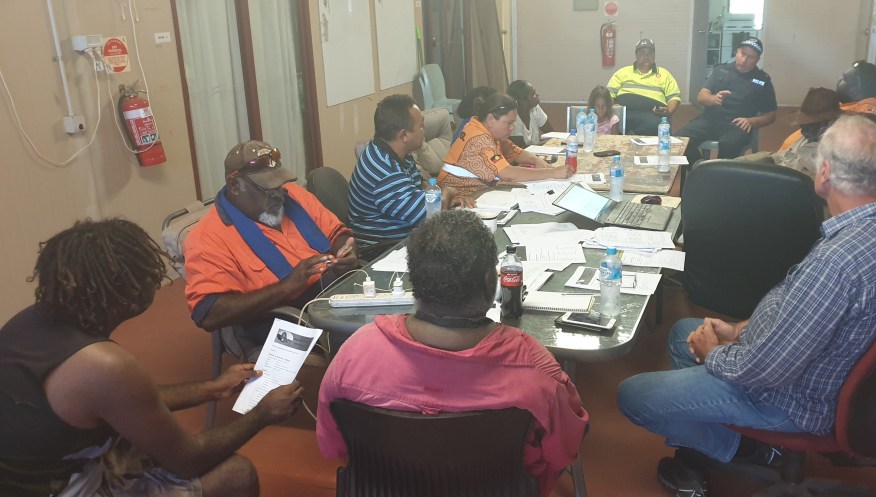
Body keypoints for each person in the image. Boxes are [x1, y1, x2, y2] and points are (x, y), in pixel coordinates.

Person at [617, 115, 876, 497]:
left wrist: (715, 353)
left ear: (825, 173)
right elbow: (807, 315)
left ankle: (744, 450)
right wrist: (740, 330)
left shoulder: (838, 263)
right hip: (825, 372)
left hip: (793, 400)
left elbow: (766, 370)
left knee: (633, 396)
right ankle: (713, 445)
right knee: (685, 333)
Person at [0, 219, 302, 497]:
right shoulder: (102, 365)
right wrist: (263, 414)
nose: (154, 282)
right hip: (62, 486)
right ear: (125, 294)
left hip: (33, 476)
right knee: (236, 475)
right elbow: (188, 459)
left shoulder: (28, 323)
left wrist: (212, 389)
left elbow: (127, 400)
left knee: (141, 446)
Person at [316, 209, 589, 496]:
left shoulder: (354, 355)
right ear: (491, 281)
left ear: (413, 280)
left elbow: (334, 447)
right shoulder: (535, 369)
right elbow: (564, 451)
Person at [185, 140, 359, 361]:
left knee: (385, 318)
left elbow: (337, 233)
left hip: (332, 294)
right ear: (235, 185)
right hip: (278, 318)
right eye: (268, 188)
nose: (279, 194)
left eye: (280, 184)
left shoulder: (293, 195)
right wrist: (286, 287)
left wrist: (345, 251)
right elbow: (208, 313)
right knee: (357, 344)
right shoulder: (207, 238)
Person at [348, 94, 476, 241]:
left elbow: (420, 188)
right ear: (404, 135)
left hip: (409, 232)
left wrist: (445, 199)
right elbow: (430, 217)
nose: (424, 130)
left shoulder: (394, 150)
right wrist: (448, 192)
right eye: (421, 126)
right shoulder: (385, 172)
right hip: (388, 247)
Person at [437, 94, 572, 196]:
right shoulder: (479, 139)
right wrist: (553, 172)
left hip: (477, 191)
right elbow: (509, 174)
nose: (512, 128)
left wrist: (535, 160)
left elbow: (514, 151)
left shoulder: (484, 128)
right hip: (459, 197)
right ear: (491, 119)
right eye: (508, 123)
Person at [676, 37, 777, 166]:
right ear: (737, 51)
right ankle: (699, 168)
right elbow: (701, 96)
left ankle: (720, 173)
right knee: (679, 140)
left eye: (751, 57)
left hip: (737, 125)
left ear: (757, 59)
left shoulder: (762, 80)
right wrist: (714, 99)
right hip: (709, 119)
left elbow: (770, 115)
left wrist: (752, 121)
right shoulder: (720, 70)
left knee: (729, 145)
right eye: (743, 54)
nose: (744, 60)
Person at [737, 87, 842, 177]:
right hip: (779, 162)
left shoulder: (831, 151)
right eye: (804, 121)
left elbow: (798, 177)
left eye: (811, 122)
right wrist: (769, 160)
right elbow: (785, 155)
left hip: (787, 181)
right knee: (733, 164)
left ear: (828, 122)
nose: (803, 126)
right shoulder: (806, 137)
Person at [606, 38, 681, 135]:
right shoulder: (622, 73)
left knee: (655, 125)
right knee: (614, 123)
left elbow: (674, 97)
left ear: (654, 55)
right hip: (625, 115)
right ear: (636, 55)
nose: (646, 57)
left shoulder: (664, 74)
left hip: (653, 116)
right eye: (642, 53)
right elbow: (608, 95)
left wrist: (668, 110)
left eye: (650, 53)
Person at [507, 80, 554, 147]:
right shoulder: (512, 118)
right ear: (522, 101)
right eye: (533, 94)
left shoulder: (535, 108)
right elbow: (521, 149)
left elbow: (551, 133)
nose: (537, 94)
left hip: (537, 152)